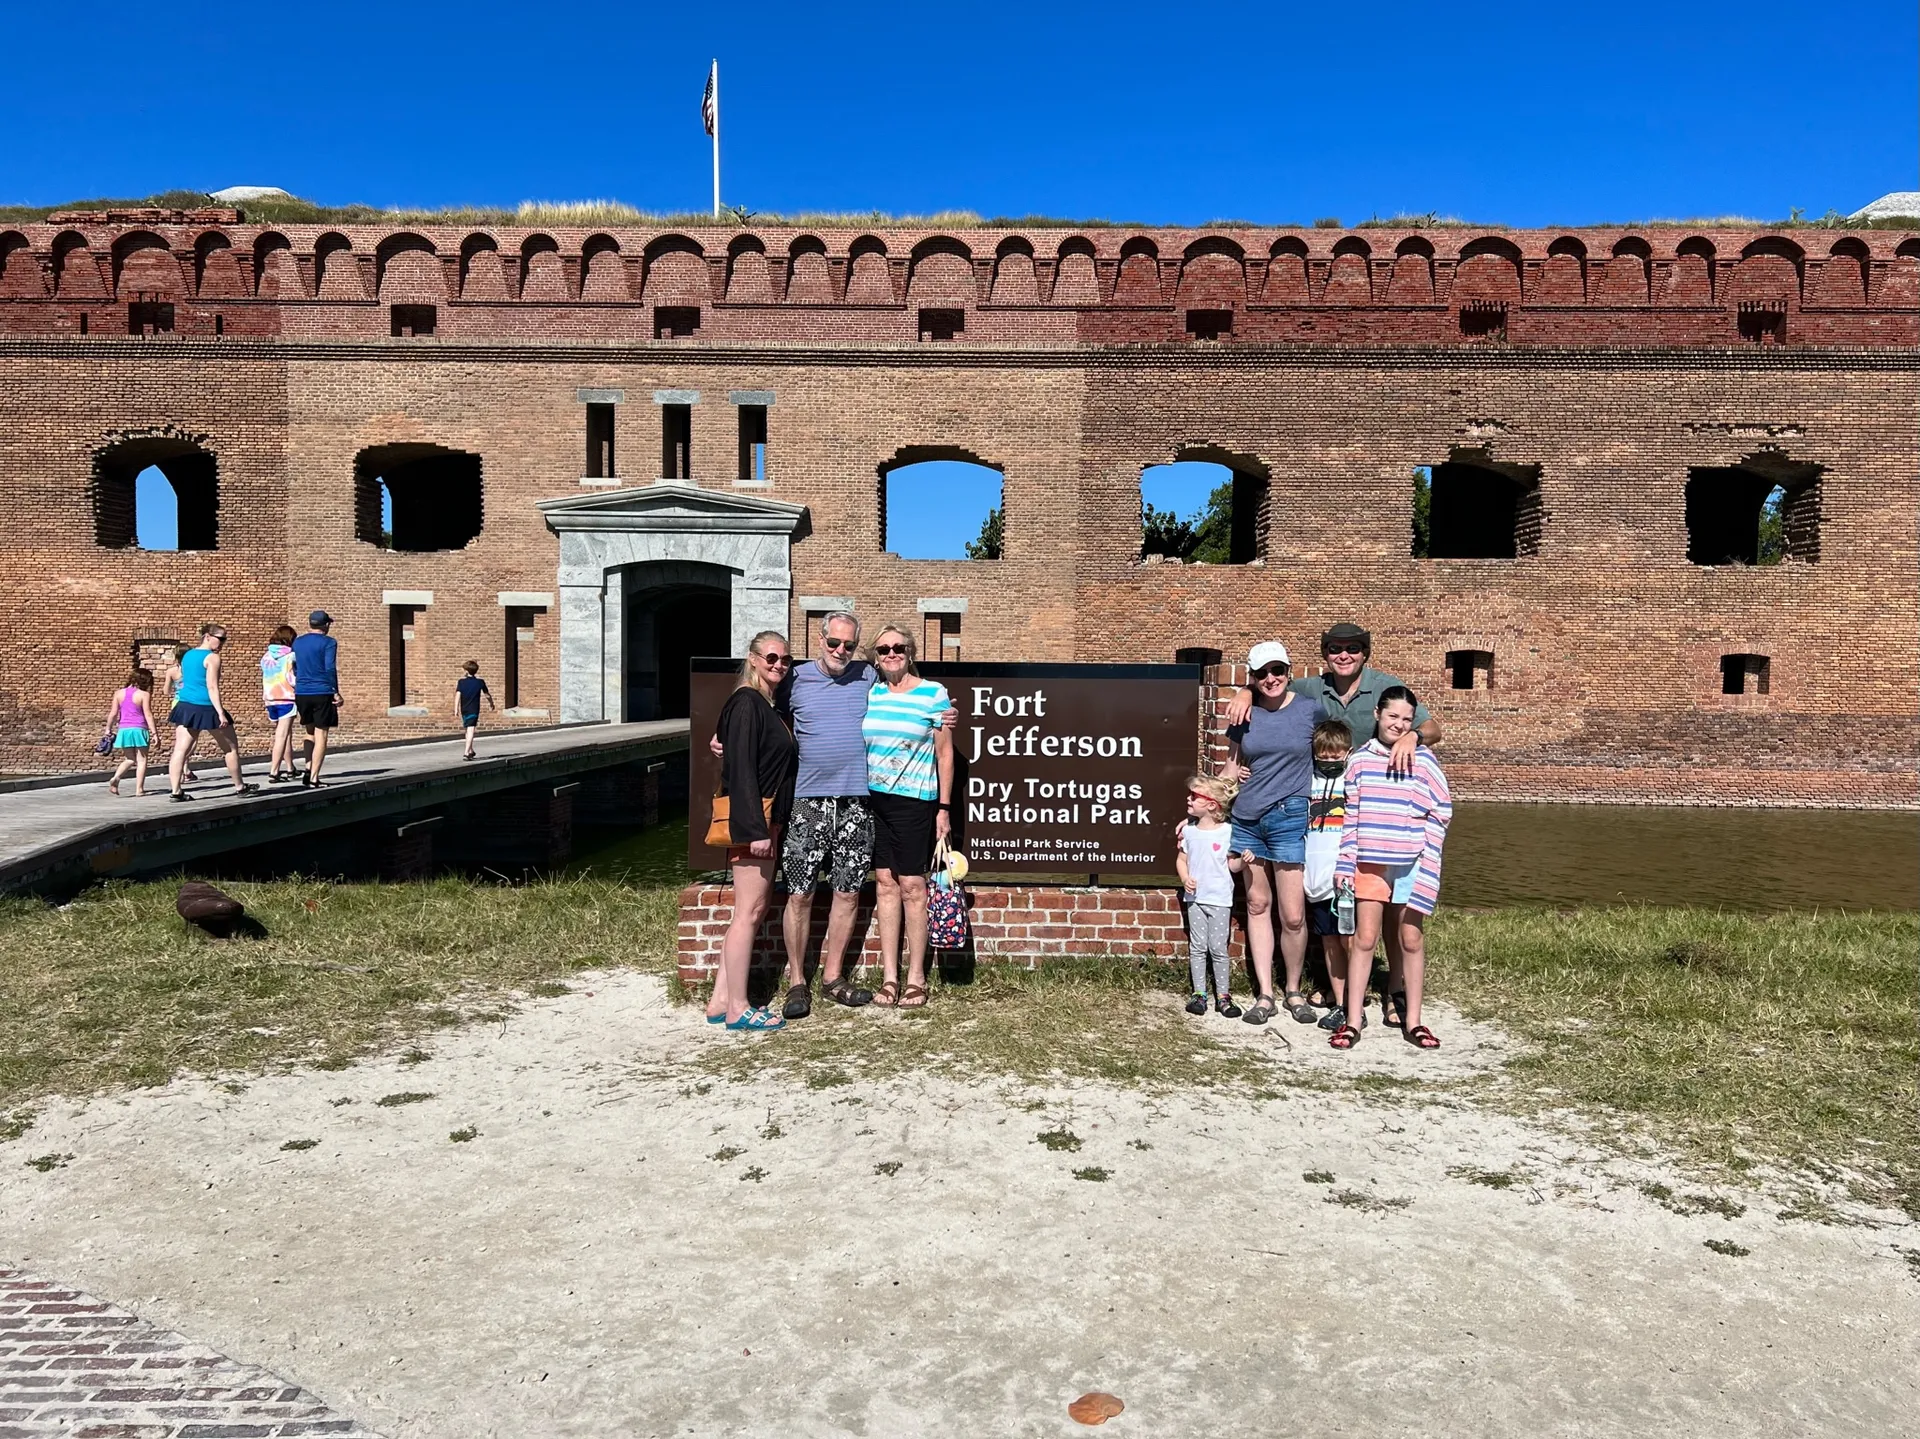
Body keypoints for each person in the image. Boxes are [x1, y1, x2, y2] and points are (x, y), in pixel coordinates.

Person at [1332, 686, 1452, 1051]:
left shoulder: (1425, 760)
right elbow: (1351, 817)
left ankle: (1413, 1020)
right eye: (1392, 716)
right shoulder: (1359, 761)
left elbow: (1441, 811)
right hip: (1369, 862)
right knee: (1364, 939)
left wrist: (1429, 859)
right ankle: (1353, 1020)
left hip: (1412, 863)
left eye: (1406, 719)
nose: (1398, 725)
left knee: (1410, 939)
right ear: (1377, 715)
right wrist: (1345, 863)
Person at [772, 612, 878, 1018]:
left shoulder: (868, 676)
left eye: (849, 645)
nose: (840, 650)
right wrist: (723, 734)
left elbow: (905, 693)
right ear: (820, 640)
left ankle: (833, 978)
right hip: (807, 803)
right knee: (799, 894)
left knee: (848, 891)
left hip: (856, 801)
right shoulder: (795, 679)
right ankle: (797, 981)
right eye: (834, 642)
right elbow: (761, 706)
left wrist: (944, 715)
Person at [706, 630, 797, 1032]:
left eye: (785, 659)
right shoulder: (746, 702)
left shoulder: (764, 704)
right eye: (771, 657)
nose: (779, 665)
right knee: (749, 912)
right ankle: (739, 1008)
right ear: (754, 658)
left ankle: (720, 1001)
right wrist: (756, 830)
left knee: (749, 911)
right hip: (754, 822)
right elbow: (741, 770)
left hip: (764, 820)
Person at [1225, 641, 1318, 1026]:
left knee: (1293, 915)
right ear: (1252, 676)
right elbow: (1230, 770)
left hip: (1289, 817)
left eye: (1277, 670)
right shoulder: (1244, 714)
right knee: (1257, 905)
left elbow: (1341, 746)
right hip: (1248, 819)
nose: (1270, 678)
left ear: (1288, 671)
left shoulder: (1310, 709)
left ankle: (1293, 989)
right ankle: (1265, 994)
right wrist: (1199, 812)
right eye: (1261, 673)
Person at [862, 625, 954, 1010]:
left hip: (915, 802)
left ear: (911, 651)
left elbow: (945, 755)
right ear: (875, 657)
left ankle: (916, 977)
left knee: (913, 886)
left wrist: (944, 808)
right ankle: (889, 977)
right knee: (885, 883)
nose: (891, 654)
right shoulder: (872, 693)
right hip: (875, 801)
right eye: (883, 649)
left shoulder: (933, 694)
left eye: (898, 647)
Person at [1303, 719, 1359, 1032]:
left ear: (1348, 753)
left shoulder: (1355, 780)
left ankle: (1355, 1001)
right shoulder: (1307, 778)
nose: (1329, 761)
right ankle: (1339, 1002)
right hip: (1316, 873)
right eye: (1323, 757)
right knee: (1328, 940)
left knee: (1350, 940)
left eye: (1335, 757)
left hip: (1346, 876)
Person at [1176, 773, 1242, 1018]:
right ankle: (1199, 994)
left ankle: (1223, 995)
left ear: (1212, 805)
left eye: (1194, 796)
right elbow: (1181, 860)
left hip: (1220, 898)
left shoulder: (1228, 832)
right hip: (1195, 899)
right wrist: (1185, 878)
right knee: (1197, 947)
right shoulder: (1189, 832)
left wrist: (1244, 861)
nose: (1189, 799)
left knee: (1218, 948)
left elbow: (1232, 866)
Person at [165, 624, 254, 802]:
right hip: (206, 706)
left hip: (185, 706)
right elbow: (212, 687)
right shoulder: (212, 658)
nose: (223, 643)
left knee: (180, 750)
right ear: (207, 636)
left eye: (224, 639)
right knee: (230, 748)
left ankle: (176, 791)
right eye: (220, 639)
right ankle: (240, 787)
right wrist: (220, 713)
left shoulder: (188, 655)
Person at [292, 610, 342, 788]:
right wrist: (335, 691)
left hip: (302, 692)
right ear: (326, 625)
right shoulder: (329, 642)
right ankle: (314, 778)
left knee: (309, 731)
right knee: (322, 734)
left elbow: (294, 665)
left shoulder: (298, 642)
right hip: (322, 691)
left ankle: (307, 768)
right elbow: (330, 668)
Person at [104, 667, 156, 796]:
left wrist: (108, 728)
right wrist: (155, 733)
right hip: (139, 729)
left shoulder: (119, 693)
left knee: (130, 759)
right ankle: (139, 789)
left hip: (124, 729)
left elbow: (113, 713)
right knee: (142, 760)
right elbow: (148, 714)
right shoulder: (144, 694)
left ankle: (116, 777)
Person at [260, 625, 299, 782]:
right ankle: (274, 771)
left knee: (285, 734)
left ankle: (290, 768)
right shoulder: (291, 657)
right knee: (282, 736)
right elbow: (291, 679)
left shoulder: (266, 656)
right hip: (286, 698)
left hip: (270, 699)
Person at [455, 660, 495, 760]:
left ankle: (470, 751)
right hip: (474, 708)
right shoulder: (480, 682)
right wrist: (491, 703)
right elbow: (487, 695)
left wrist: (456, 709)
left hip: (464, 708)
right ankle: (467, 752)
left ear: (466, 671)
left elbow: (458, 695)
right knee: (470, 729)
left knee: (468, 729)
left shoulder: (461, 682)